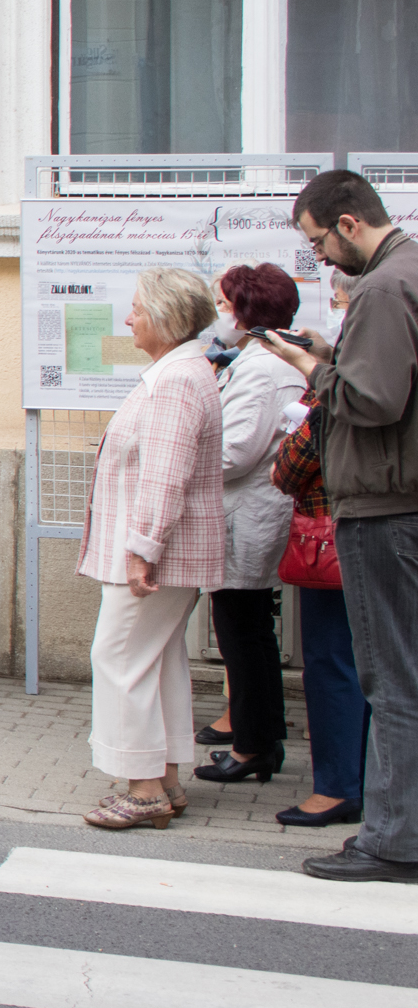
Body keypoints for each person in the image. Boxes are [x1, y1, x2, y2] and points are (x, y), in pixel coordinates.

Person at [262, 171, 418, 881]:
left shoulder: (383, 287)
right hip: (399, 498)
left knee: (391, 680)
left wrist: (311, 368)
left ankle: (393, 841)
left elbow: (375, 401)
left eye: (319, 242)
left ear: (350, 223)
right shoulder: (406, 273)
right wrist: (332, 354)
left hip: (385, 507)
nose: (320, 256)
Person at [75, 267, 225, 830]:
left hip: (155, 554)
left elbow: (165, 474)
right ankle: (164, 779)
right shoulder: (182, 372)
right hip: (164, 551)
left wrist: (144, 548)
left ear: (166, 315)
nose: (128, 318)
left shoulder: (177, 379)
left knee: (118, 659)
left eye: (137, 308)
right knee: (156, 661)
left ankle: (142, 789)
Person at [192, 263, 307, 787]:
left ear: (245, 311)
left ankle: (253, 745)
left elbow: (235, 452)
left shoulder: (263, 370)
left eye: (223, 304)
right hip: (249, 512)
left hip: (248, 514)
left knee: (243, 633)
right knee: (249, 631)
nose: (218, 314)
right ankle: (258, 739)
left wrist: (184, 462)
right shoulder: (261, 362)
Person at [270, 394, 370, 826]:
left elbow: (289, 470)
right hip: (393, 531)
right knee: (386, 668)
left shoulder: (337, 386)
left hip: (339, 537)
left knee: (332, 663)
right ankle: (374, 785)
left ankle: (337, 787)